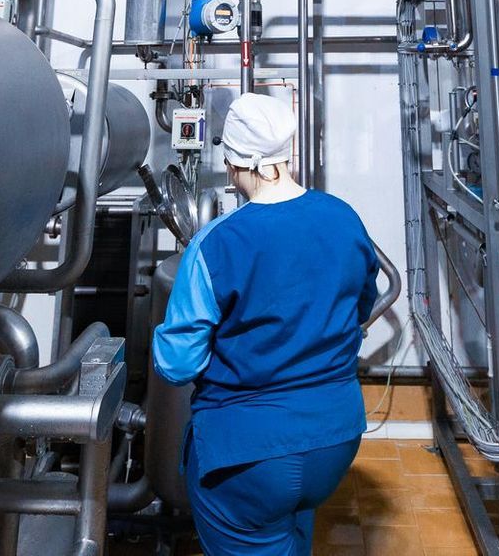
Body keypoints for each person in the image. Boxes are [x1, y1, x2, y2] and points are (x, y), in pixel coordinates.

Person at [152, 93, 382, 556]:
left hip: (248, 455)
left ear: (233, 162)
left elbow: (177, 364)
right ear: (287, 152)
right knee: (290, 530)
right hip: (334, 439)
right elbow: (361, 307)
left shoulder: (215, 245)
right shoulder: (343, 217)